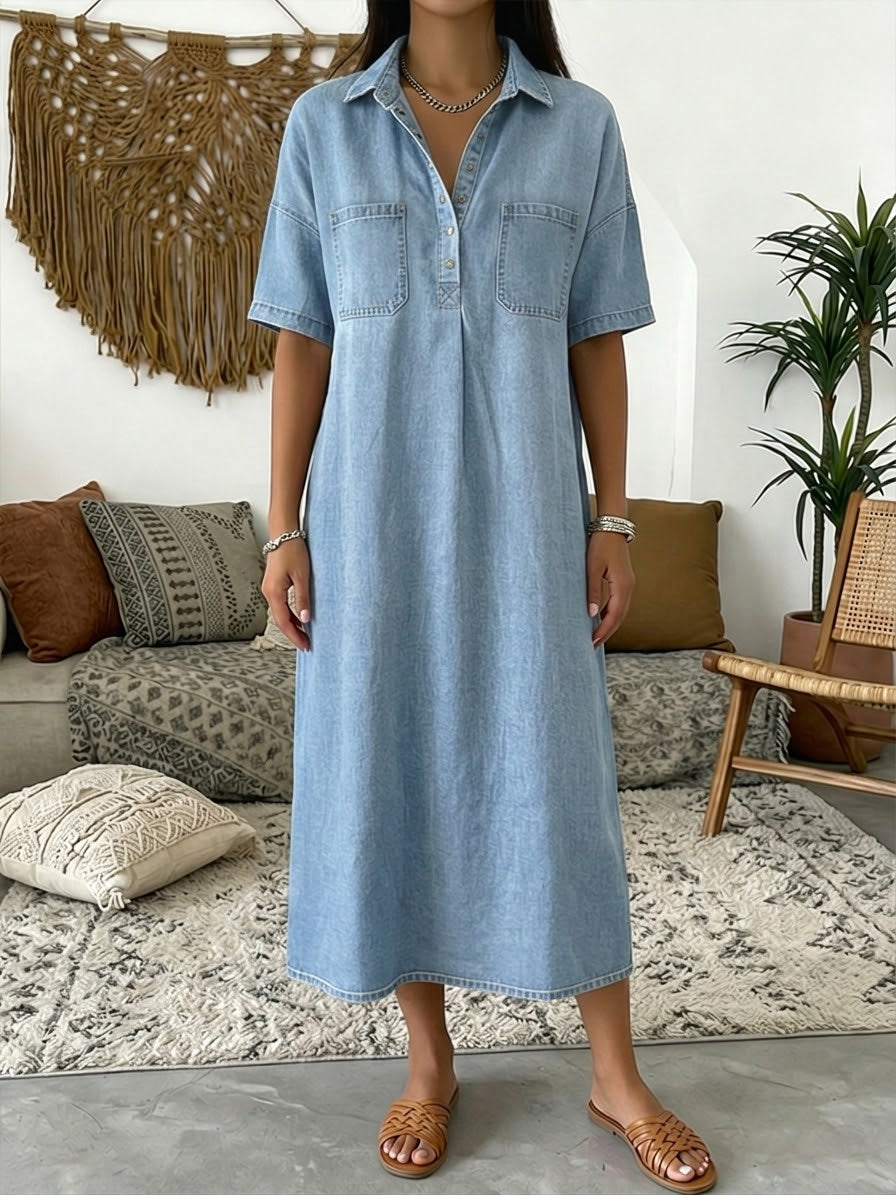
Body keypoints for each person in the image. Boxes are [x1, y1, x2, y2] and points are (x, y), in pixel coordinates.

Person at [248, 0, 715, 1189]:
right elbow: (303, 339)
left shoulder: (578, 126)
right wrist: (284, 526)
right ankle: (429, 1059)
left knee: (561, 781)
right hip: (369, 523)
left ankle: (615, 1075)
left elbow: (596, 334)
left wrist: (613, 516)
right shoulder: (323, 126)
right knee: (392, 762)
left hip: (530, 521)